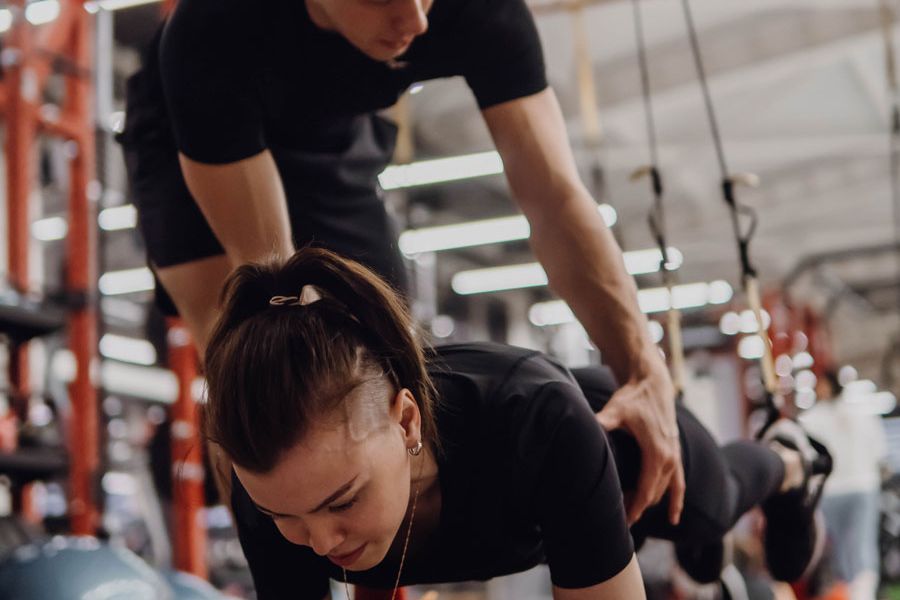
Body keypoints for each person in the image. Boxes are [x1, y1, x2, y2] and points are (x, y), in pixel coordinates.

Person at [119, 0, 682, 525]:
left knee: (390, 373)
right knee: (259, 373)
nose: (415, 21)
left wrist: (643, 371)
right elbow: (273, 279)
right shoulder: (213, 28)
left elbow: (555, 198)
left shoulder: (474, 8)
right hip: (189, 134)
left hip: (330, 132)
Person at [201, 247, 832, 600]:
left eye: (343, 500)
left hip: (609, 438)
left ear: (407, 422)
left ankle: (791, 461)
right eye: (286, 517)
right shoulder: (270, 486)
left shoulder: (539, 424)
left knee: (704, 508)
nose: (319, 541)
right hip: (541, 510)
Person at [801, 371, 888, 600]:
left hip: (849, 488)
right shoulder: (820, 417)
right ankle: (855, 590)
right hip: (848, 488)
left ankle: (860, 592)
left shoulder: (816, 418)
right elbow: (879, 452)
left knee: (855, 545)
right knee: (849, 546)